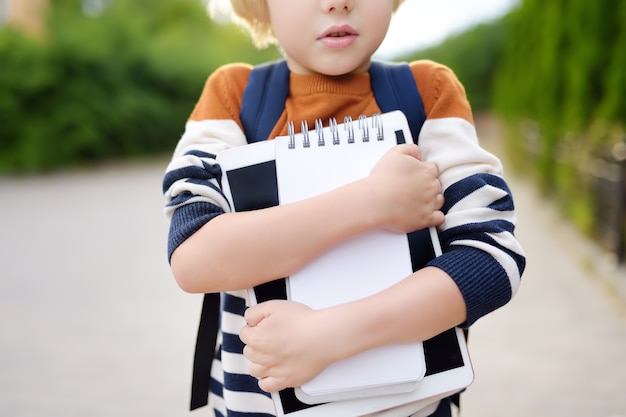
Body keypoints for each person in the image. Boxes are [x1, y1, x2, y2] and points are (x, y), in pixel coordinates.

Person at [162, 0, 526, 415]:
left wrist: (326, 335)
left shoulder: (428, 93)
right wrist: (370, 202)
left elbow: (492, 259)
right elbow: (194, 258)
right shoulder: (233, 98)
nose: (337, 2)